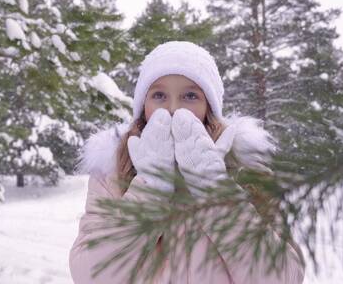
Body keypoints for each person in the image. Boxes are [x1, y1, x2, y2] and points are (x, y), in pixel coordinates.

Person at [69, 41, 305, 283]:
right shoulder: (112, 174)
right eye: (159, 95)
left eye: (190, 96)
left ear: (209, 108)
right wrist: (149, 188)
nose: (173, 108)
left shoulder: (248, 172)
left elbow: (282, 277)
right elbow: (91, 275)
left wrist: (215, 190)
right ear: (143, 106)